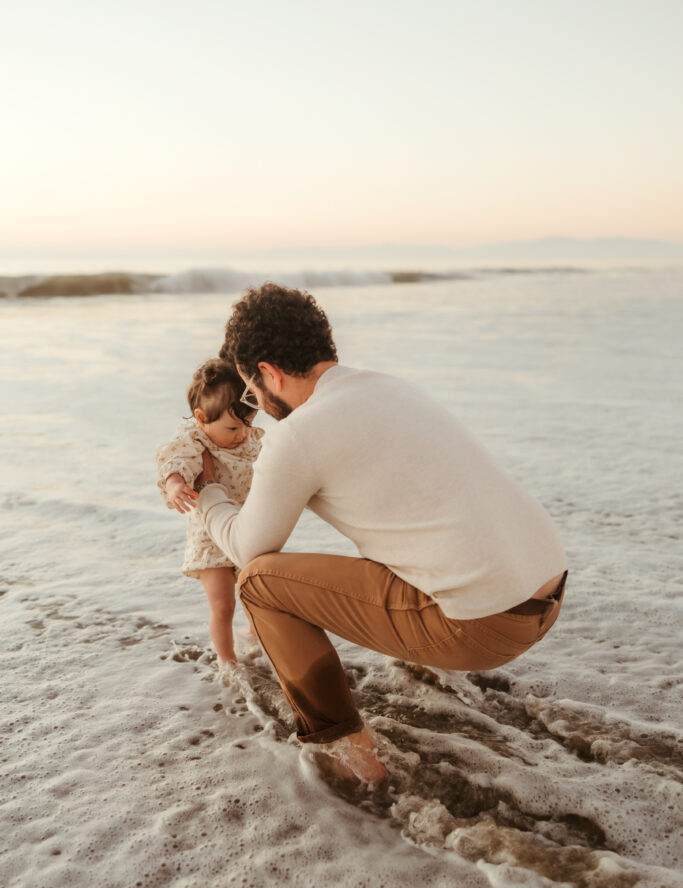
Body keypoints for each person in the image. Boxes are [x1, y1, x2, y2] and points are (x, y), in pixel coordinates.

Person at [193, 284, 568, 785]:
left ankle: (348, 756)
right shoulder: (392, 387)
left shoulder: (300, 433)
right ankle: (430, 674)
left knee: (259, 583)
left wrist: (207, 493)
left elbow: (246, 548)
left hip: (485, 626)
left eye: (250, 391)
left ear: (269, 373)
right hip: (548, 588)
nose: (254, 402)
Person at [156, 359, 263, 666]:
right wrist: (176, 485)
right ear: (202, 418)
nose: (241, 433)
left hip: (247, 529)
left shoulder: (248, 439)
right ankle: (227, 661)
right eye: (233, 427)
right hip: (211, 541)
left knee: (258, 596)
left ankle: (257, 641)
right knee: (223, 605)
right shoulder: (194, 441)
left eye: (248, 424)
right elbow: (175, 463)